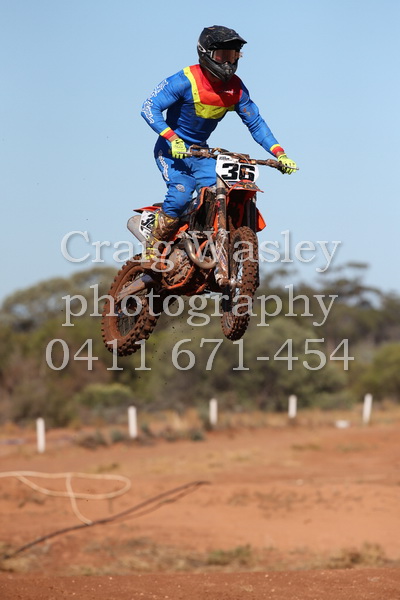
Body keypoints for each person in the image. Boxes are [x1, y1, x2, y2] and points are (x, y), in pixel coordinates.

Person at [140, 25, 297, 266]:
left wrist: (280, 154)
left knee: (219, 193)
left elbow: (255, 122)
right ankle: (153, 245)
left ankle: (204, 245)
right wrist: (172, 138)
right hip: (171, 151)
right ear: (205, 53)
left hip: (202, 153)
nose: (228, 63)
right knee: (181, 193)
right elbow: (149, 107)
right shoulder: (185, 80)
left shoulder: (236, 88)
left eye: (233, 56)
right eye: (222, 55)